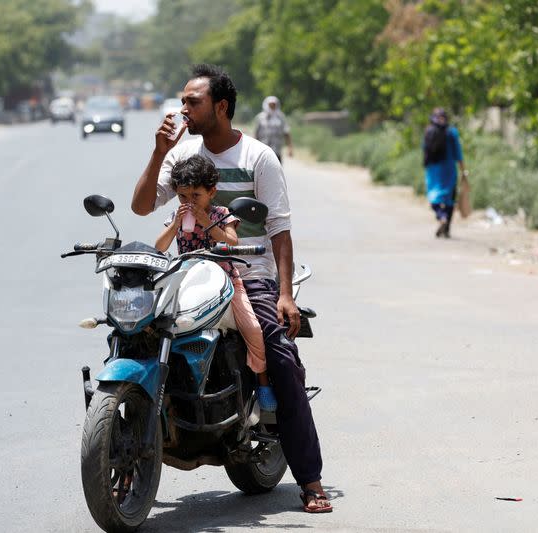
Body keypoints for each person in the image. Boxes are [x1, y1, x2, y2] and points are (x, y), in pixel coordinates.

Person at [131, 64, 331, 513]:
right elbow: (143, 206)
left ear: (220, 107)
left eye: (192, 101)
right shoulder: (181, 156)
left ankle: (311, 481)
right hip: (186, 271)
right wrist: (159, 151)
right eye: (182, 101)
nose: (183, 109)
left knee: (281, 357)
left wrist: (284, 294)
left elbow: (279, 229)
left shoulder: (259, 156)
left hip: (249, 270)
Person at [154, 154, 278, 412]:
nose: (189, 203)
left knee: (253, 328)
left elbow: (232, 241)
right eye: (183, 197)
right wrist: (176, 222)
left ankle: (263, 381)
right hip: (187, 279)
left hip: (224, 277)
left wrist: (207, 222)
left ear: (211, 192)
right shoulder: (176, 216)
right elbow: (160, 246)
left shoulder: (221, 214)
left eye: (195, 196)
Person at [423, 107, 468, 238]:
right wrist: (463, 169)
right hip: (449, 170)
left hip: (433, 171)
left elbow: (425, 151)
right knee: (449, 200)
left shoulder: (428, 131)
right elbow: (458, 153)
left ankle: (441, 216)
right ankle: (447, 227)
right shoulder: (452, 132)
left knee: (433, 197)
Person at [254, 96, 293, 162]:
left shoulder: (281, 117)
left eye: (274, 105)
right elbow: (256, 133)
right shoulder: (260, 117)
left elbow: (286, 133)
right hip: (262, 151)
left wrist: (290, 148)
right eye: (270, 105)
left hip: (276, 151)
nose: (272, 107)